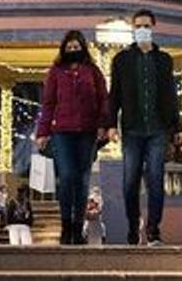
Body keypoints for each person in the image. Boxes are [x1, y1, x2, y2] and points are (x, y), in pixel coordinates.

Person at [107, 9, 182, 246]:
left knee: (155, 179)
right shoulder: (121, 60)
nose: (142, 29)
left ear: (153, 27)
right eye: (138, 26)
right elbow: (115, 95)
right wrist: (110, 124)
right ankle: (133, 224)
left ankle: (153, 229)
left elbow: (171, 94)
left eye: (146, 26)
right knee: (130, 182)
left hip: (158, 129)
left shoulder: (164, 60)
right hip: (131, 129)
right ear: (133, 28)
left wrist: (177, 127)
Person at [35, 30, 109, 245]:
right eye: (69, 47)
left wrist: (103, 125)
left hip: (87, 132)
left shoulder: (93, 71)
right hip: (63, 133)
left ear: (83, 48)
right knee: (67, 177)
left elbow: (104, 99)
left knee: (82, 180)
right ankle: (66, 226)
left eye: (77, 47)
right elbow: (48, 104)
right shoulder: (55, 72)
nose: (73, 50)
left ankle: (78, 228)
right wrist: (42, 131)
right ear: (63, 49)